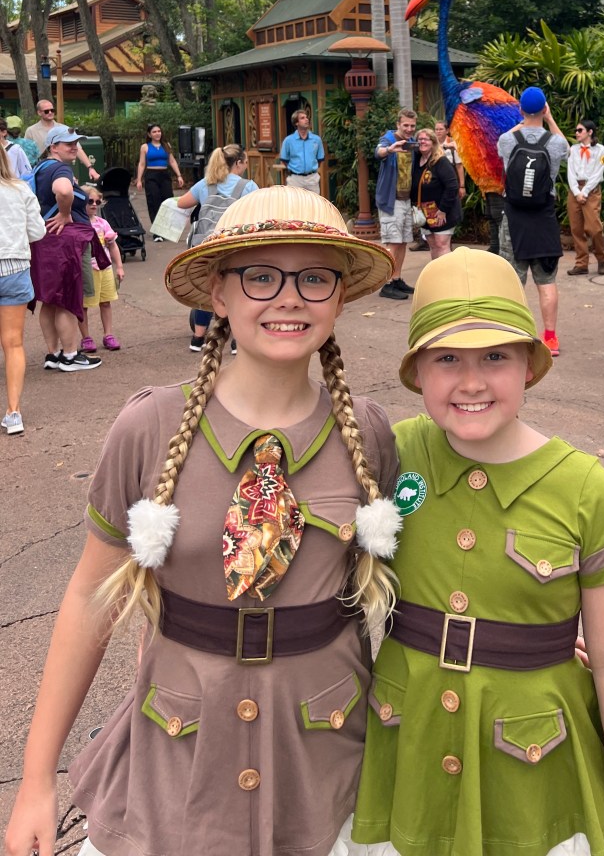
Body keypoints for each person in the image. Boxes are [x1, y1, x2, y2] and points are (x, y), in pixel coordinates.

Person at [4, 185, 404, 856]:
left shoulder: (367, 433)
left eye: (314, 278)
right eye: (259, 277)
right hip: (178, 755)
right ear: (218, 294)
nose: (288, 298)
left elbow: (412, 585)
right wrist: (36, 780)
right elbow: (90, 599)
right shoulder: (150, 426)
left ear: (339, 298)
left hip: (325, 760)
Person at [352, 246, 604, 856]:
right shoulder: (389, 454)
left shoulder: (583, 488)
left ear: (528, 367)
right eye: (446, 358)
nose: (471, 382)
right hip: (406, 753)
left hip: (533, 773)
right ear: (417, 372)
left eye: (495, 356)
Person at [497, 86, 569, 358]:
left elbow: (503, 144)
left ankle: (513, 335)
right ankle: (550, 338)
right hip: (543, 219)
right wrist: (549, 120)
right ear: (545, 108)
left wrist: (523, 121)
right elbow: (567, 150)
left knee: (513, 280)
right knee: (546, 281)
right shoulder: (555, 143)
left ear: (520, 109)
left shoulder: (507, 140)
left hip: (514, 220)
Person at [30, 127, 106, 372]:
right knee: (66, 299)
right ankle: (70, 356)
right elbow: (63, 191)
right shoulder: (61, 169)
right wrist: (64, 213)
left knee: (49, 300)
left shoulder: (40, 168)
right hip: (63, 243)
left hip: (44, 239)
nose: (74, 147)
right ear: (53, 147)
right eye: (68, 144)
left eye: (76, 143)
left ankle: (53, 354)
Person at [176, 144, 258, 352]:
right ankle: (237, 341)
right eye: (245, 162)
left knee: (208, 288)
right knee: (238, 287)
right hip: (235, 244)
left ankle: (197, 338)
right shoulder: (247, 186)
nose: (245, 166)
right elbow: (259, 211)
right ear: (238, 163)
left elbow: (182, 203)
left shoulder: (206, 184)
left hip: (208, 244)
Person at [0, 145, 46, 435]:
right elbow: (37, 231)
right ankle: (13, 412)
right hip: (14, 267)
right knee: (13, 343)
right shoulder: (20, 190)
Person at [375, 108, 418, 299]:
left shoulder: (412, 142)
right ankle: (386, 284)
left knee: (402, 242)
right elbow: (378, 152)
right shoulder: (388, 139)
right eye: (405, 125)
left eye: (412, 126)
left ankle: (396, 278)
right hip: (391, 201)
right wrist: (389, 150)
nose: (409, 129)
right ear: (398, 124)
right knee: (393, 242)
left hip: (406, 199)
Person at [78, 186, 125, 353]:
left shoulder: (102, 223)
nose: (94, 205)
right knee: (83, 305)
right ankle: (86, 337)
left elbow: (112, 246)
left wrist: (119, 266)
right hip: (86, 270)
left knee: (106, 302)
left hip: (104, 268)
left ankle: (108, 334)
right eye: (90, 201)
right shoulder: (77, 223)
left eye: (97, 202)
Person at [411, 127, 461, 260]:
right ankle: (436, 272)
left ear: (433, 142)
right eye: (419, 139)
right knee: (433, 245)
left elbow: (452, 187)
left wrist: (443, 209)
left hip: (442, 211)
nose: (422, 142)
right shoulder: (416, 161)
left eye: (426, 139)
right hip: (425, 212)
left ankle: (446, 272)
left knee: (441, 244)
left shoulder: (441, 161)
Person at [566, 120, 604, 276]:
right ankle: (581, 263)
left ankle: (601, 257)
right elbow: (570, 172)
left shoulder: (600, 150)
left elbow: (598, 173)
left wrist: (584, 192)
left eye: (580, 130)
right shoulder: (573, 149)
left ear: (590, 132)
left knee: (594, 228)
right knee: (576, 228)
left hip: (591, 190)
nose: (576, 133)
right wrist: (576, 192)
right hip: (575, 190)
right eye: (576, 130)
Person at [136, 123, 184, 239]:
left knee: (168, 202)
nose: (157, 133)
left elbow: (172, 161)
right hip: (151, 176)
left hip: (164, 175)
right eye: (154, 132)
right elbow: (142, 164)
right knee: (154, 201)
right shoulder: (145, 147)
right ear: (149, 134)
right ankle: (157, 232)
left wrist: (179, 175)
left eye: (159, 131)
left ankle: (166, 229)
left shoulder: (166, 145)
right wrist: (139, 180)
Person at [24, 100, 98, 177]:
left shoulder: (64, 129)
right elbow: (27, 155)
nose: (50, 112)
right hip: (42, 171)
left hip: (62, 170)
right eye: (46, 111)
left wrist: (90, 168)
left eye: (52, 110)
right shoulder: (31, 131)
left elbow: (78, 149)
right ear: (39, 112)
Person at [279, 109, 325, 193]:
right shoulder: (288, 140)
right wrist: (295, 168)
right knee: (294, 201)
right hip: (295, 179)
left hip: (312, 179)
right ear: (296, 123)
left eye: (306, 117)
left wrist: (311, 168)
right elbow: (284, 160)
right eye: (302, 118)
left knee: (313, 201)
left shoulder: (316, 139)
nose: (306, 119)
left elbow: (320, 159)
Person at [434, 120, 466, 200]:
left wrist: (462, 186)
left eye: (441, 129)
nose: (438, 131)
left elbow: (459, 166)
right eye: (436, 129)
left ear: (447, 131)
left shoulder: (454, 144)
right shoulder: (432, 144)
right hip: (436, 182)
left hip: (452, 182)